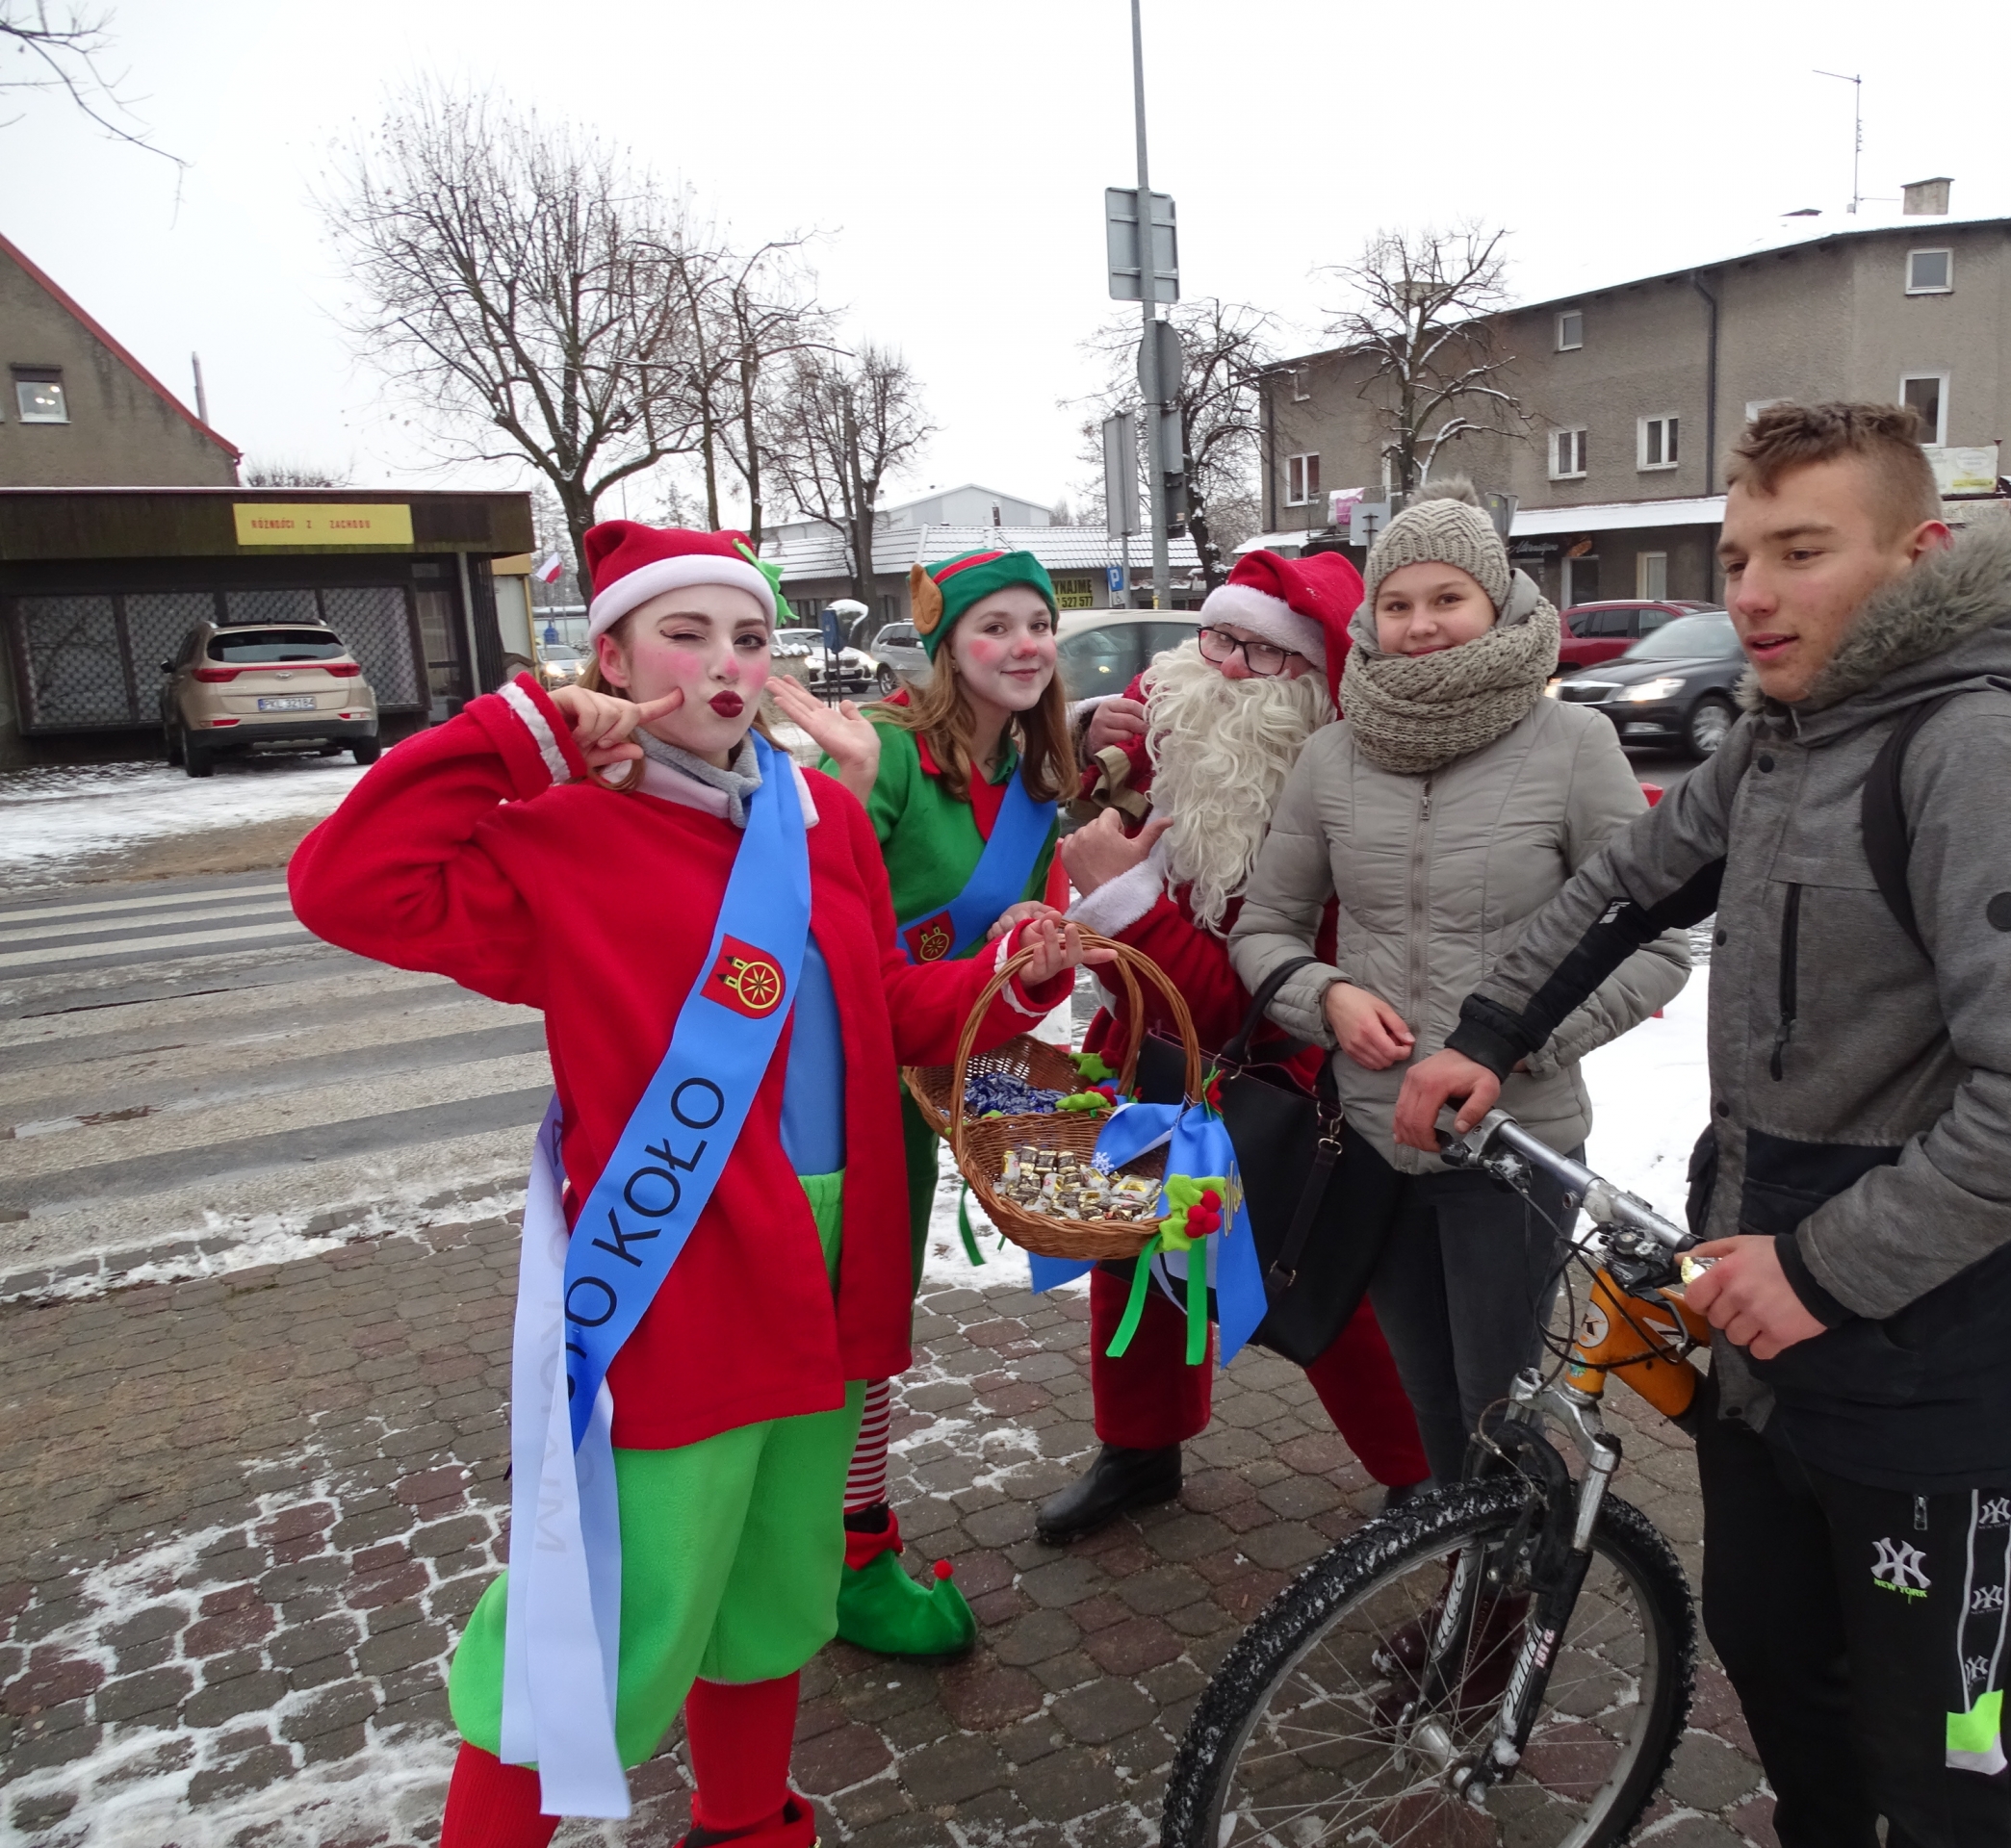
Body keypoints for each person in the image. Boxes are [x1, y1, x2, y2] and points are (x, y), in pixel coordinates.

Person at [290, 522, 1104, 1846]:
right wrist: (519, 738)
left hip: (832, 1258)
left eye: (749, 637)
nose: (727, 665)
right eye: (686, 634)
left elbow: (882, 1002)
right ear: (611, 658)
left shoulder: (817, 821)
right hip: (677, 1267)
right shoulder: (563, 830)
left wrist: (1009, 983)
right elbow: (343, 887)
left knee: (772, 1592)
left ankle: (747, 1823)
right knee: (605, 1617)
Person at [1398, 402, 2011, 1847]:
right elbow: (1626, 887)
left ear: (1919, 556)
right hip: (1759, 1299)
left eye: (1802, 552)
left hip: (1938, 1348)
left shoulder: (1975, 756)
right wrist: (1485, 1033)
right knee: (1777, 1651)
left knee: (1948, 1750)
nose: (1750, 592)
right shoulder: (1784, 740)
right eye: (1737, 557)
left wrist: (1821, 1270)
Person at [1229, 481, 1691, 1491]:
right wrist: (1325, 997)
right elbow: (1264, 929)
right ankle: (1461, 1571)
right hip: (1373, 1139)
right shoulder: (1331, 756)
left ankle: (1515, 1576)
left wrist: (1516, 1042)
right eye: (1398, 604)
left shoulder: (1573, 746)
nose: (1421, 624)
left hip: (1513, 1144)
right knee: (1428, 1397)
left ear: (1498, 602)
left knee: (1501, 1405)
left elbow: (1656, 943)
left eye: (1448, 599)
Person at [1036, 549, 1431, 1542]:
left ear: (1315, 683)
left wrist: (1121, 901)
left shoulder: (1338, 807)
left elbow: (1258, 1006)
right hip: (1146, 1054)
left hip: (1285, 1083)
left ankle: (1422, 1478)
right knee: (1133, 1254)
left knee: (1324, 1283)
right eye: (1216, 638)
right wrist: (1086, 744)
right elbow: (1055, 793)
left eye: (1260, 653)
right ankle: (1140, 1446)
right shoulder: (1185, 731)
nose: (1223, 668)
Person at [779, 546, 1071, 1659]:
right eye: (994, 625)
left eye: (1038, 624)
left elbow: (1008, 953)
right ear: (946, 644)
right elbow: (813, 914)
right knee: (831, 1316)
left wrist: (1034, 945)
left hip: (923, 1070)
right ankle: (821, 1554)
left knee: (872, 1316)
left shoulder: (1034, 782)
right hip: (828, 1078)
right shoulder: (888, 753)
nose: (1023, 645)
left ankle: (842, 1546)